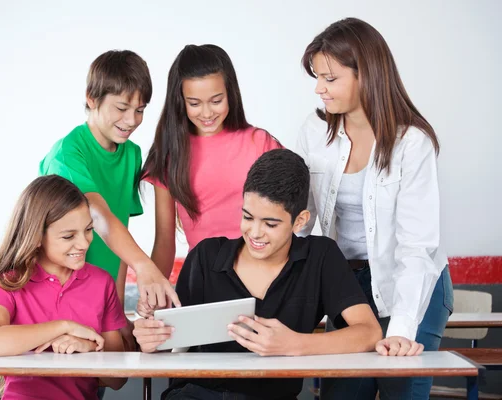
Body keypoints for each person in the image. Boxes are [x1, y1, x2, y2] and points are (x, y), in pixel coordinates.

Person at [134, 149, 383, 400]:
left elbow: (369, 332)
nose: (255, 233)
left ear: (299, 221)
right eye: (247, 217)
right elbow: (173, 343)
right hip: (196, 394)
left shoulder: (320, 257)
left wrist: (293, 344)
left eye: (270, 224)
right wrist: (151, 340)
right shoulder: (206, 256)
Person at [296, 17, 453, 399]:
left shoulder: (412, 143)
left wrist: (400, 330)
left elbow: (417, 247)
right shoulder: (315, 131)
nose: (319, 89)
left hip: (412, 286)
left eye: (330, 79)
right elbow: (300, 220)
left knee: (402, 389)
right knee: (341, 393)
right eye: (317, 77)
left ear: (365, 75)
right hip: (346, 286)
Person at [39, 50, 180, 327]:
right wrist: (144, 266)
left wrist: (116, 315)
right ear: (92, 99)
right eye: (121, 108)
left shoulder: (132, 155)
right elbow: (99, 216)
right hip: (60, 297)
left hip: (103, 295)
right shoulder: (67, 155)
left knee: (119, 355)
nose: (131, 120)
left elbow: (119, 233)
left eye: (140, 110)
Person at [0, 175, 126, 399]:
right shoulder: (6, 283)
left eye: (88, 230)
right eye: (68, 236)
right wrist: (64, 326)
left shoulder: (102, 282)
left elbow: (118, 379)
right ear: (37, 236)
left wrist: (90, 349)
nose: (84, 243)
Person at [141, 44, 281, 280]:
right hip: (205, 278)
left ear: (230, 94)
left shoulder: (260, 143)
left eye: (216, 101)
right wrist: (156, 290)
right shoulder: (170, 154)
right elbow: (165, 239)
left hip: (262, 274)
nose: (206, 114)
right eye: (194, 103)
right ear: (180, 101)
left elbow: (285, 218)